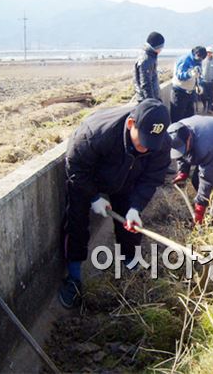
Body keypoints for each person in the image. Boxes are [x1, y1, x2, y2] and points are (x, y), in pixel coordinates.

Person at [60, 99, 171, 308]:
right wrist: (93, 196)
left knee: (131, 227)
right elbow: (75, 167)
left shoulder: (161, 142)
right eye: (143, 141)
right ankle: (73, 278)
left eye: (152, 144)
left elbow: (152, 177)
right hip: (88, 176)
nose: (146, 148)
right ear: (131, 124)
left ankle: (130, 265)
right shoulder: (94, 134)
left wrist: (136, 207)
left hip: (127, 176)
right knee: (76, 224)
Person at [171, 46, 207, 123]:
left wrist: (199, 85)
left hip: (190, 92)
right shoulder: (185, 60)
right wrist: (189, 74)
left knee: (190, 117)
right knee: (178, 117)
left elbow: (199, 75)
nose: (200, 61)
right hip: (180, 92)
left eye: (202, 60)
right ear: (196, 54)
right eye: (199, 58)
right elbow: (179, 75)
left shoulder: (198, 61)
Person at [133, 31, 165, 102]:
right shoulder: (146, 59)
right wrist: (151, 103)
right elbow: (145, 84)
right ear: (155, 47)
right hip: (146, 100)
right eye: (161, 47)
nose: (161, 50)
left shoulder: (150, 56)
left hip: (152, 97)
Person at [200, 46, 213, 113]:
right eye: (208, 52)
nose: (209, 54)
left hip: (212, 82)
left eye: (210, 52)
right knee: (203, 95)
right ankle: (204, 106)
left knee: (211, 96)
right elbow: (199, 70)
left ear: (212, 53)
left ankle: (209, 108)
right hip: (203, 81)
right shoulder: (202, 61)